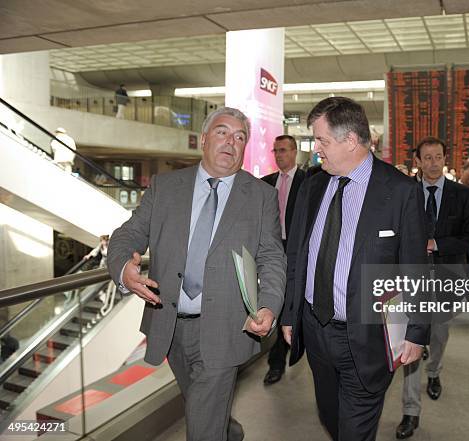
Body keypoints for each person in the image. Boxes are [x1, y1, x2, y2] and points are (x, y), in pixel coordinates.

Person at [107, 107, 286, 441]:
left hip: (226, 326)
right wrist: (122, 268)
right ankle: (228, 432)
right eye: (222, 132)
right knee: (203, 405)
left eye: (240, 137)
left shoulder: (261, 195)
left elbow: (272, 257)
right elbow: (129, 234)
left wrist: (269, 305)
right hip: (170, 324)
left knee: (202, 424)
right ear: (203, 139)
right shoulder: (165, 187)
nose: (231, 142)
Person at [281, 97, 429, 441]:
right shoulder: (313, 185)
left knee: (355, 430)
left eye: (322, 141)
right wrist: (290, 313)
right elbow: (297, 254)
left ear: (350, 141)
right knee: (330, 415)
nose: (315, 149)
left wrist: (416, 332)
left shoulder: (401, 191)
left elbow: (416, 268)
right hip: (315, 330)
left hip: (367, 337)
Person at [397, 137, 469, 440]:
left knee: (439, 334)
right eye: (426, 158)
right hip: (411, 279)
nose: (432, 163)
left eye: (438, 157)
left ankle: (434, 372)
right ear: (417, 161)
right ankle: (410, 410)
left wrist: (436, 243)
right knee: (412, 340)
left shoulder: (465, 196)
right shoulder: (404, 193)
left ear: (446, 158)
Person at [260, 135, 306, 385]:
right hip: (271, 250)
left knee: (292, 304)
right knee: (274, 303)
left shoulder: (309, 182)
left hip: (297, 250)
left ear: (295, 152)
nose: (279, 155)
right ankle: (276, 362)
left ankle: (291, 352)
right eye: (276, 150)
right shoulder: (266, 184)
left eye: (284, 150)